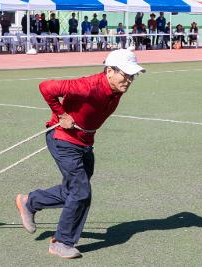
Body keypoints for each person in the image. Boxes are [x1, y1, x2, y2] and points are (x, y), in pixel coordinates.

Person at [15, 49, 145, 259]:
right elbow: (46, 87)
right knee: (81, 191)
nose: (129, 80)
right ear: (109, 71)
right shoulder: (88, 86)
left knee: (72, 191)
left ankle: (30, 202)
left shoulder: (117, 89)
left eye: (133, 76)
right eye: (126, 74)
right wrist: (61, 114)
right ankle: (62, 242)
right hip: (63, 139)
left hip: (84, 142)